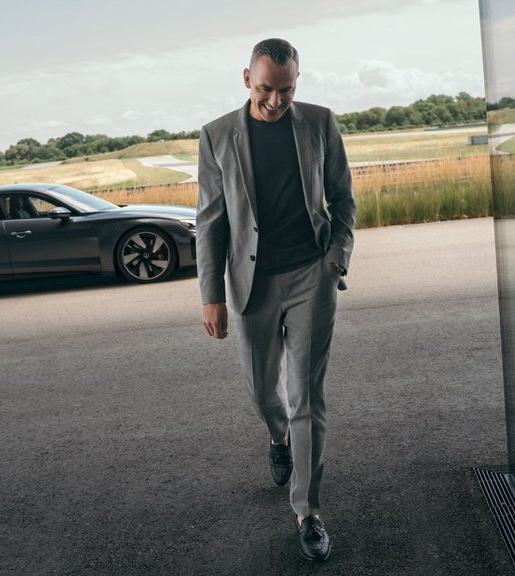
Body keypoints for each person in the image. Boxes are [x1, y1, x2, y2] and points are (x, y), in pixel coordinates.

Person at [195, 38, 356, 562]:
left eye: (286, 90)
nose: (275, 100)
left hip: (312, 276)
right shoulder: (216, 136)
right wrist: (211, 296)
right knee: (263, 390)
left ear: (297, 82)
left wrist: (335, 260)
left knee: (308, 395)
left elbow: (342, 199)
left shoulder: (320, 123)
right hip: (252, 285)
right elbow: (211, 223)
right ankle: (278, 436)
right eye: (266, 89)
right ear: (247, 79)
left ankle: (307, 511)